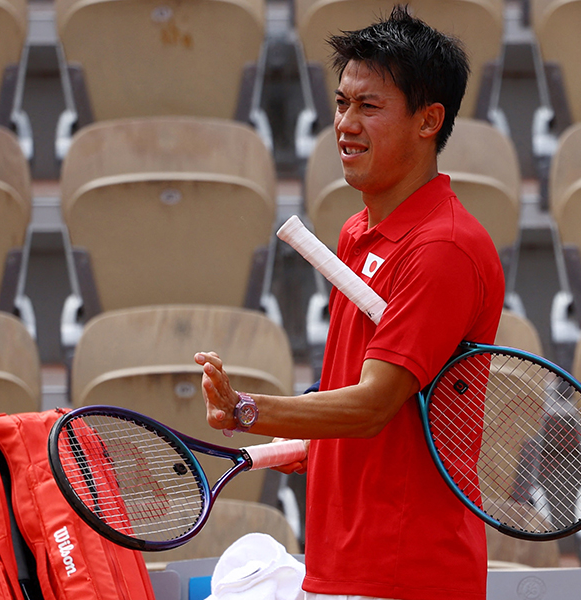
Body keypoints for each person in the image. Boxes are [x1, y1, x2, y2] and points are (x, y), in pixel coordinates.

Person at [196, 6, 505, 600]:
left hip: (406, 575)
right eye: (342, 103)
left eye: (370, 107)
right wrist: (313, 441)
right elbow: (362, 403)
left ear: (428, 120)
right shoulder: (356, 233)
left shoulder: (443, 248)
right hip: (341, 565)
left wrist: (248, 411)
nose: (346, 123)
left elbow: (371, 407)